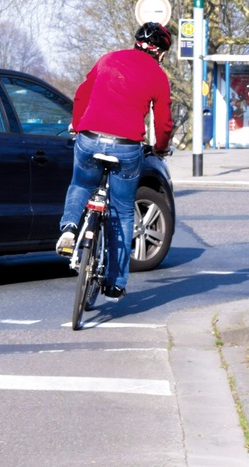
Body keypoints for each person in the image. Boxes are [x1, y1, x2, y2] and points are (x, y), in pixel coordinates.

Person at [55, 22, 173, 301]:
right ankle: (115, 283)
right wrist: (159, 148)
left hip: (90, 137)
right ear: (160, 51)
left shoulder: (108, 59)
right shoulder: (158, 76)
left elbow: (82, 94)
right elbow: (164, 122)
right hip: (126, 147)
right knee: (122, 211)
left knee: (81, 184)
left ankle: (70, 227)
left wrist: (76, 124)